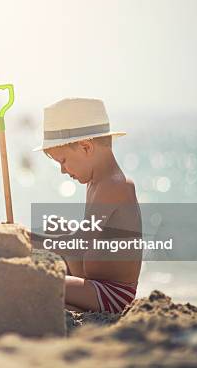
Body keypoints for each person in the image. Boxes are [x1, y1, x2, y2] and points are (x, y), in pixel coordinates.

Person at [32, 98, 142, 313]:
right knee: (55, 225)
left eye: (63, 161)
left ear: (85, 147)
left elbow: (78, 244)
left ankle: (68, 299)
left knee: (40, 282)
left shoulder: (115, 186)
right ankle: (68, 296)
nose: (63, 170)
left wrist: (26, 240)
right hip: (91, 278)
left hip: (112, 293)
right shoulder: (95, 181)